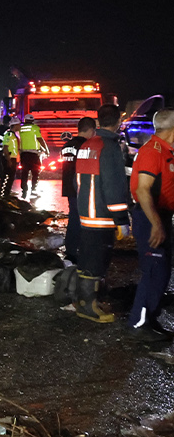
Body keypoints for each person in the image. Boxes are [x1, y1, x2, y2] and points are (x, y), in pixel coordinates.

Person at [72, 104, 129, 323]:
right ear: (119, 122)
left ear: (98, 121)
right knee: (97, 261)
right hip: (102, 216)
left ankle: (83, 301)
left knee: (87, 257)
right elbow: (114, 186)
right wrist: (121, 219)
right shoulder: (110, 147)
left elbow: (77, 181)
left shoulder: (88, 145)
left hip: (86, 212)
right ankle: (89, 307)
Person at [128, 108, 174, 339]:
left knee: (162, 270)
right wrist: (156, 224)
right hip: (150, 217)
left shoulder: (165, 150)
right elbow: (142, 190)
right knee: (154, 271)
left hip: (160, 216)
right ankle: (139, 323)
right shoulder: (152, 151)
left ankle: (150, 317)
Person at [60, 117, 96, 263]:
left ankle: (71, 249)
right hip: (81, 187)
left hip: (69, 186)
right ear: (91, 130)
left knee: (73, 218)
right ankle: (77, 252)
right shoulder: (86, 146)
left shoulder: (67, 145)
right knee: (80, 220)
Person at [16, 115, 50, 198]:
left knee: (24, 172)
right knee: (35, 172)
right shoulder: (35, 128)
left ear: (25, 120)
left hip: (24, 153)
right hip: (34, 154)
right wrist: (46, 149)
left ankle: (24, 190)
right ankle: (33, 190)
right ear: (33, 120)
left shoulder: (20, 128)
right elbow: (40, 139)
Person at [1, 120, 20, 197]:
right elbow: (5, 147)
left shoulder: (14, 135)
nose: (20, 126)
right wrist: (8, 160)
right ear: (14, 125)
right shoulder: (9, 135)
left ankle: (7, 193)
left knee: (11, 176)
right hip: (9, 158)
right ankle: (5, 194)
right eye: (18, 125)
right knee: (8, 176)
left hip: (13, 158)